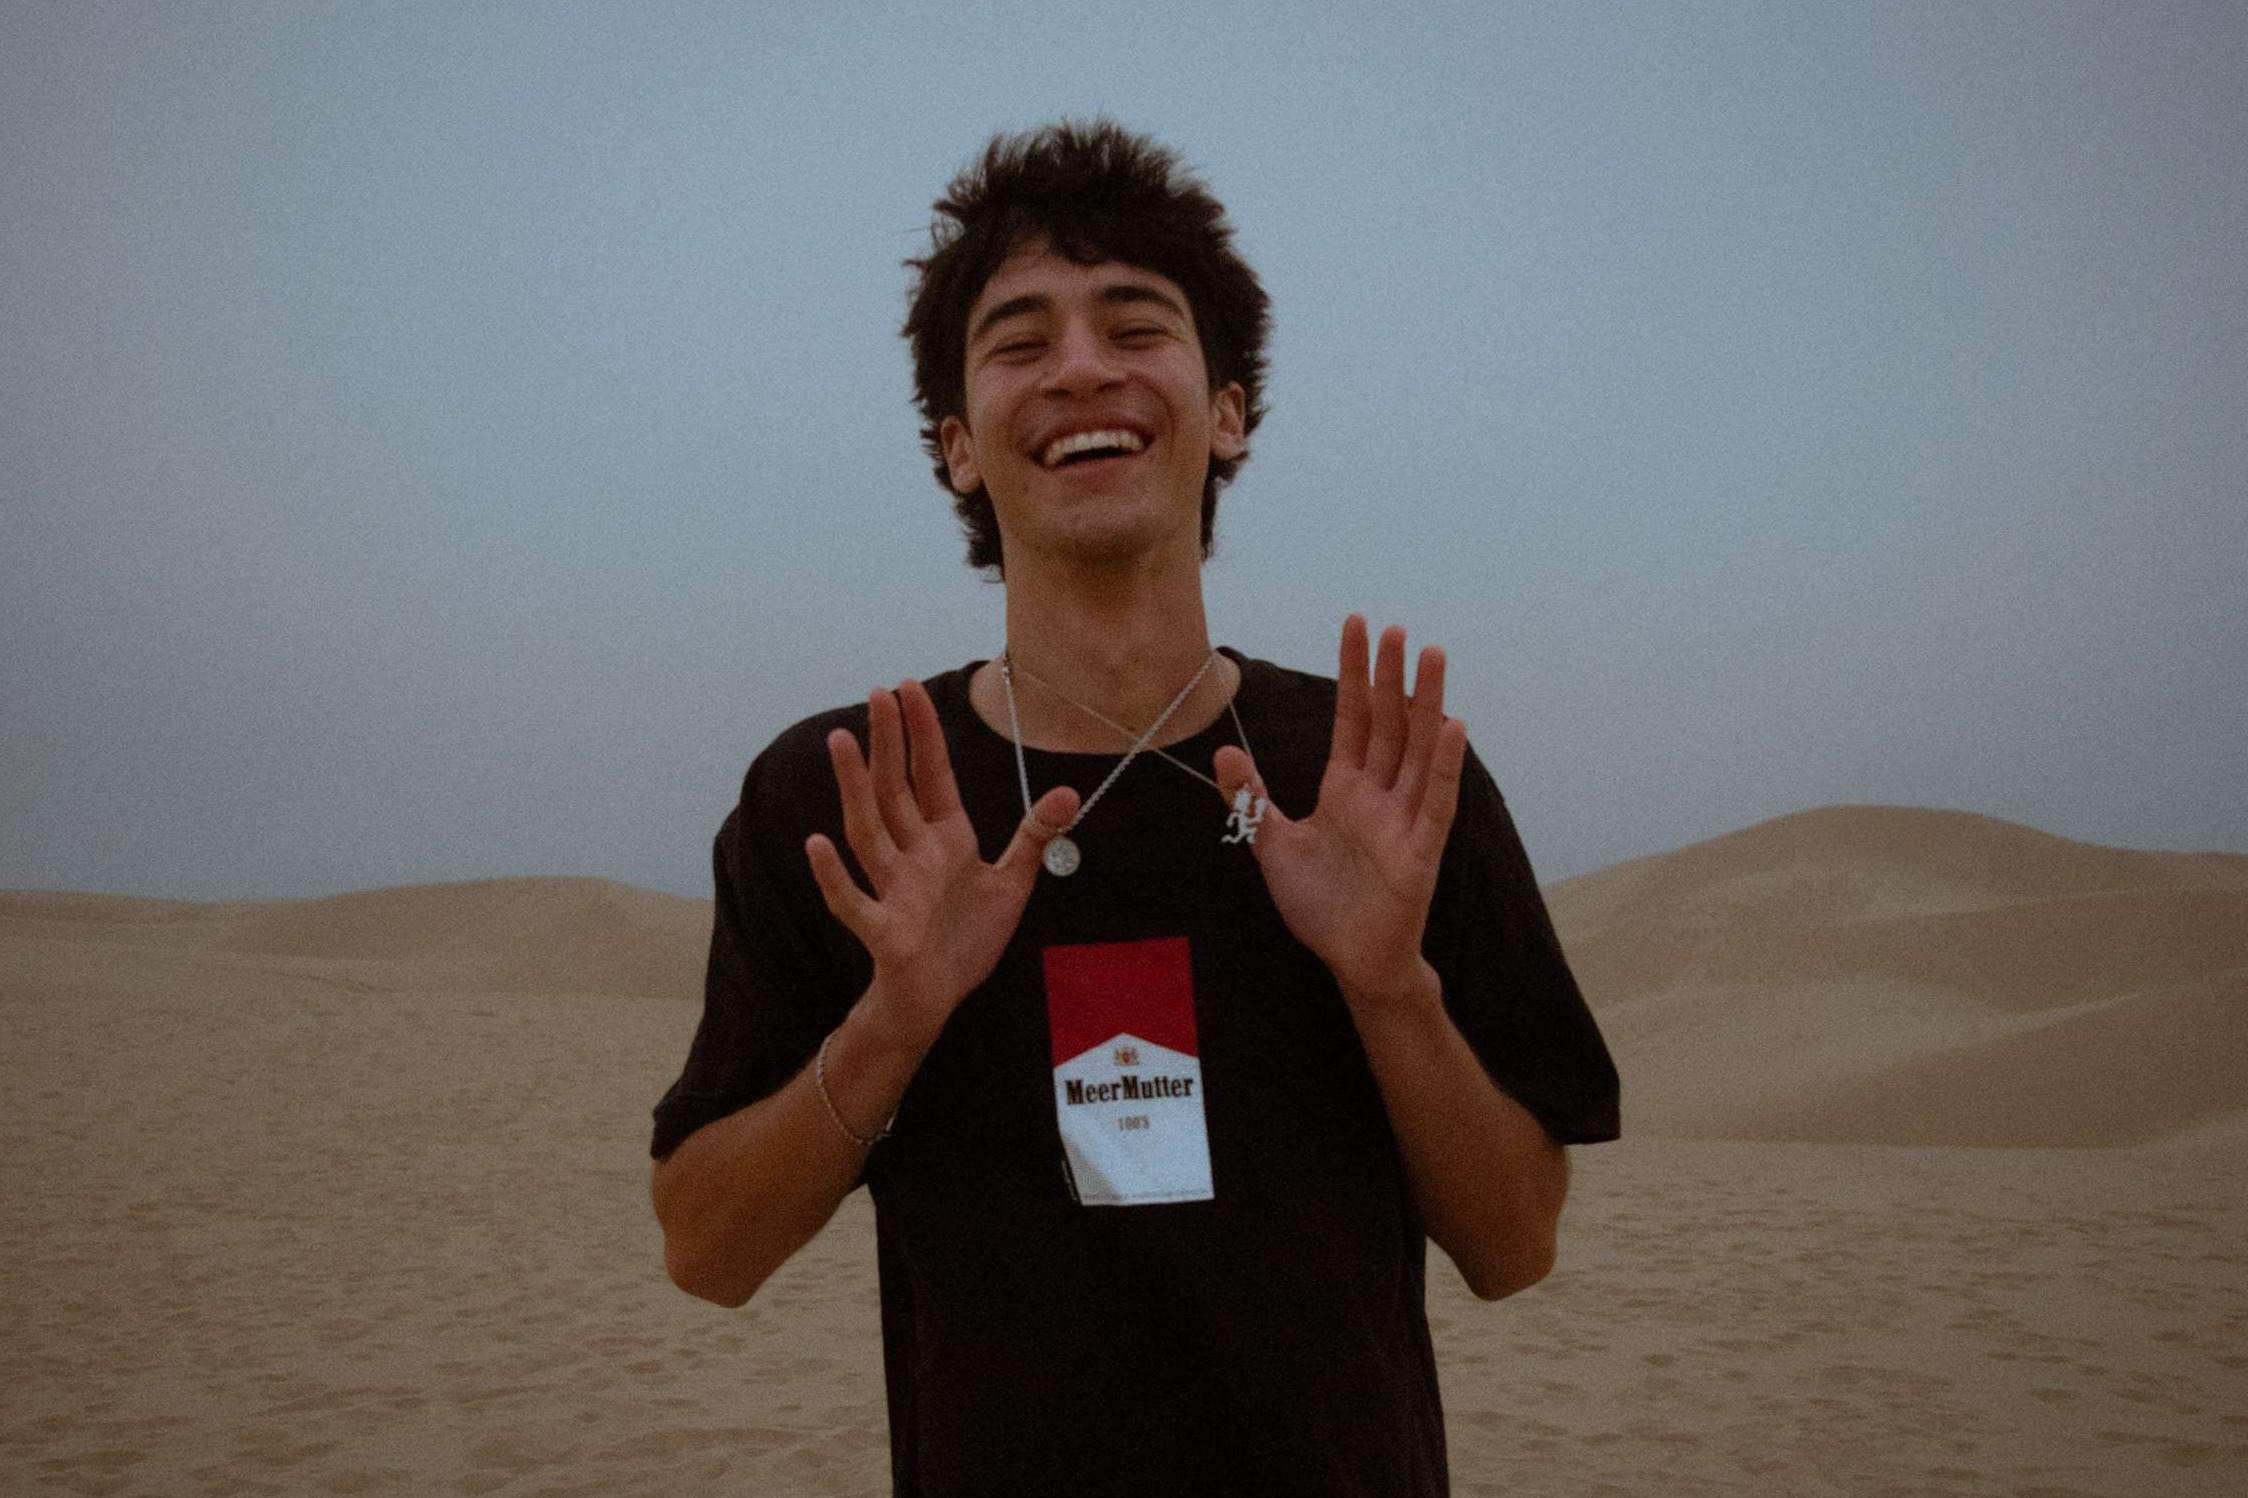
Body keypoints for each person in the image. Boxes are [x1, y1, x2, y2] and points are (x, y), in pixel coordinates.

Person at [649, 118, 1621, 1498]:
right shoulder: (860, 797)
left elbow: (1515, 1243)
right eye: (1020, 340)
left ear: (1225, 409)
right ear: (957, 448)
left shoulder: (1378, 776)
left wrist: (1388, 982)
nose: (1083, 369)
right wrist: (896, 1017)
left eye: (1135, 324)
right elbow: (706, 1249)